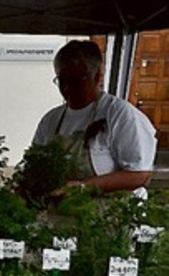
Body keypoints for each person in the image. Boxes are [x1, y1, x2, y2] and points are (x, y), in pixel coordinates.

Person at [32, 40, 157, 196]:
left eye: (76, 80)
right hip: (66, 213)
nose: (67, 87)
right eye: (62, 80)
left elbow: (140, 175)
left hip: (114, 214)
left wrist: (83, 187)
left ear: (97, 76)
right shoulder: (51, 120)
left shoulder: (121, 115)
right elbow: (35, 165)